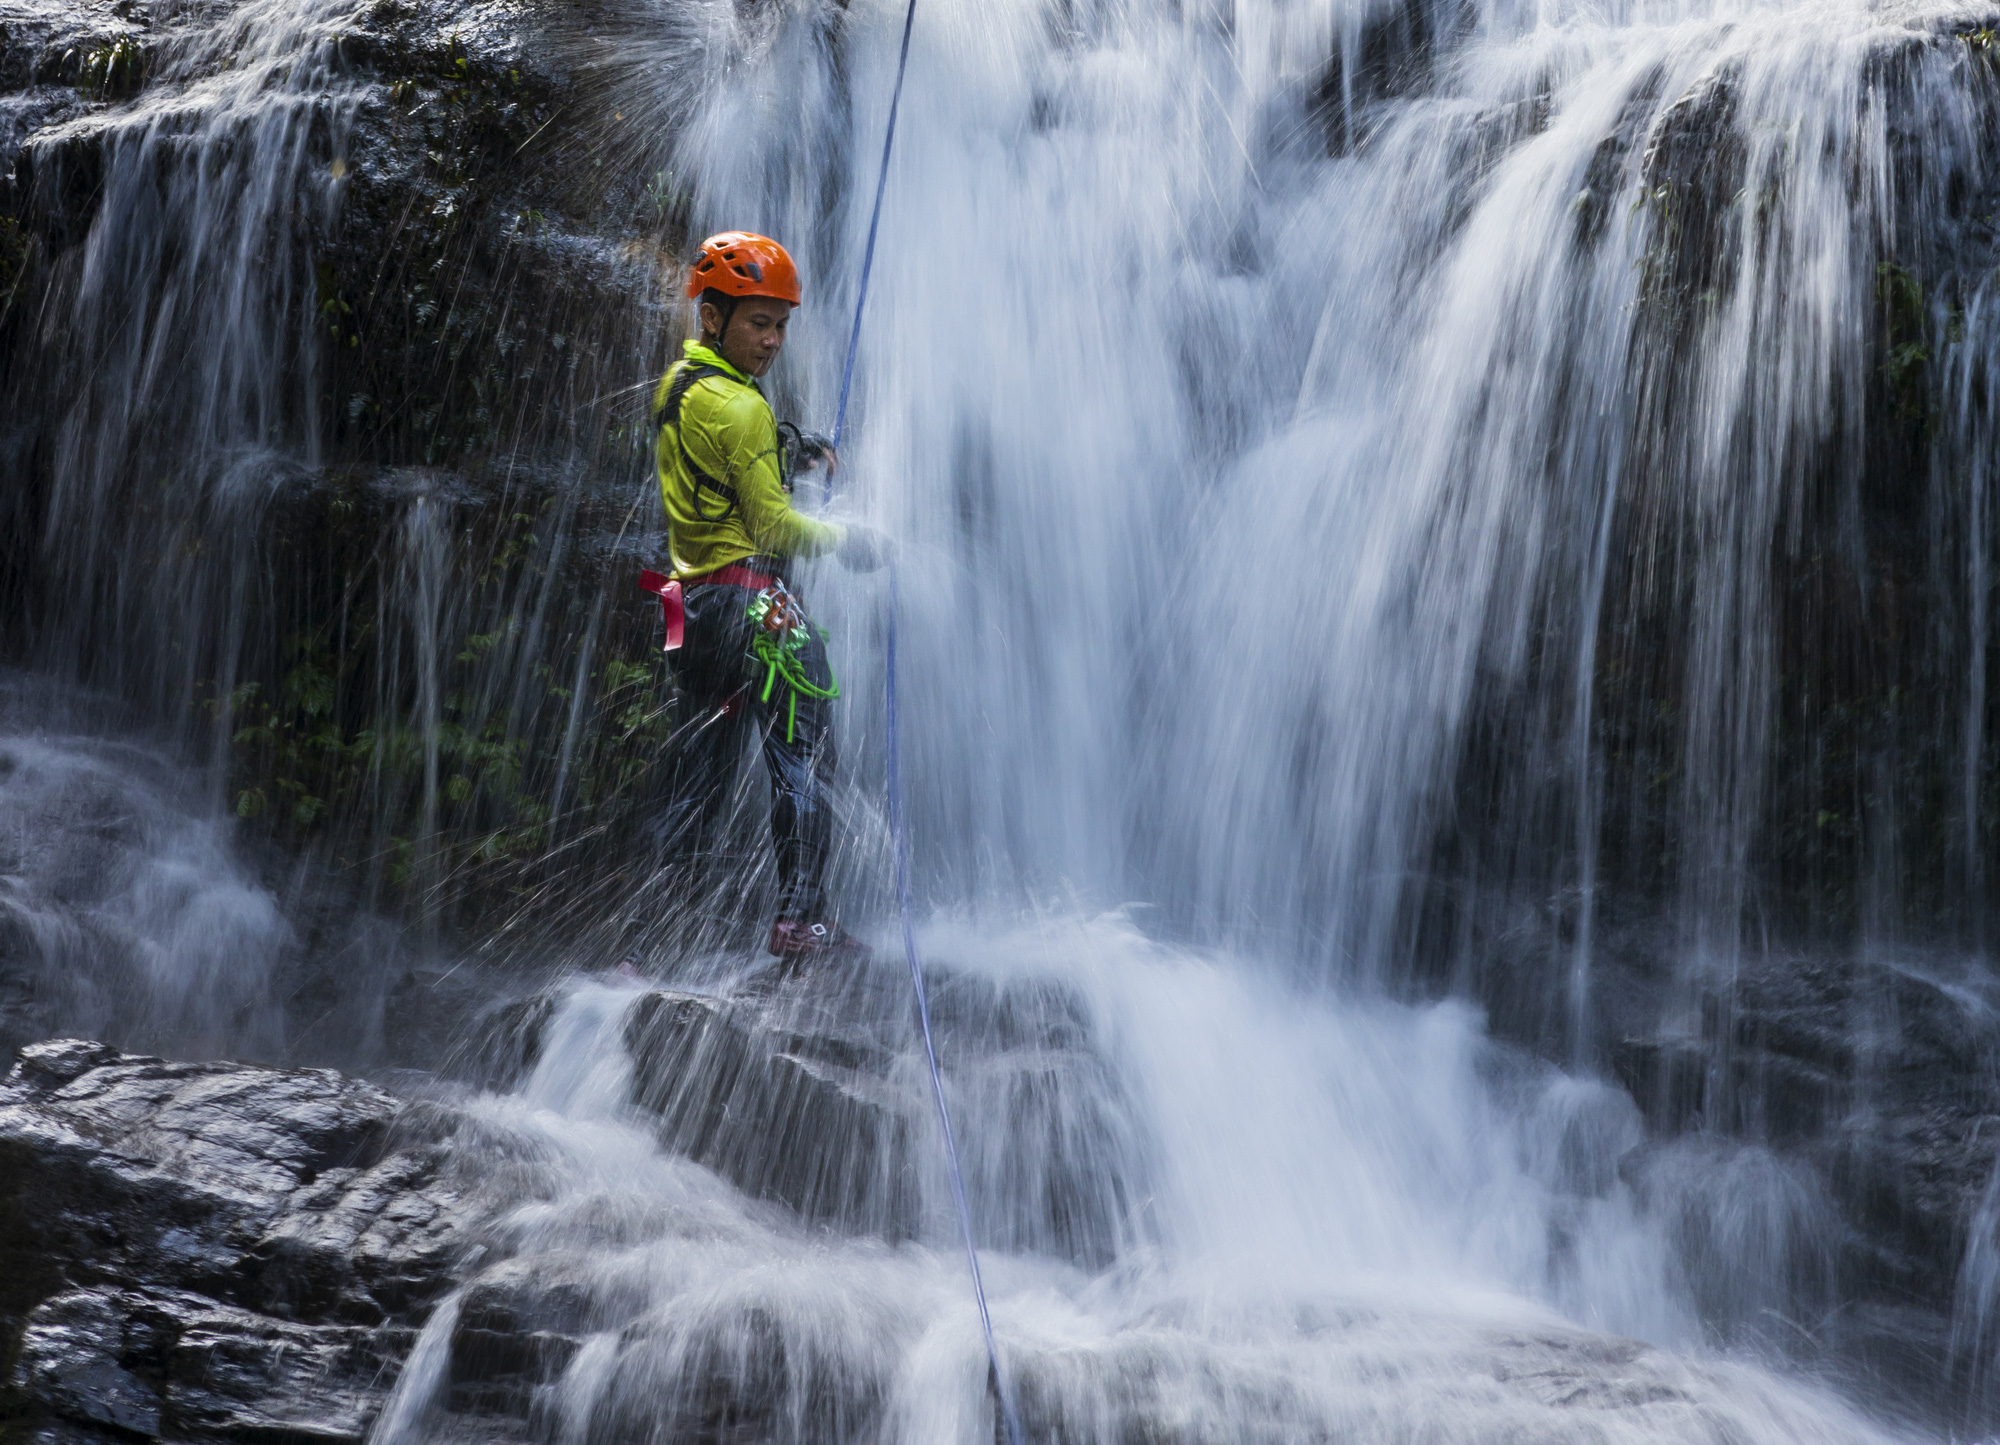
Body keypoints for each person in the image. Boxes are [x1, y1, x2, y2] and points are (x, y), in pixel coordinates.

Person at [650, 230, 886, 960]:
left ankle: (650, 938)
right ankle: (801, 918)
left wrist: (793, 446)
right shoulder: (743, 408)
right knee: (805, 757)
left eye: (783, 323)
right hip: (757, 608)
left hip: (688, 611)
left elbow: (724, 463)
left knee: (701, 774)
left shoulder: (679, 387)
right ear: (713, 317)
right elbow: (772, 522)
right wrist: (854, 543)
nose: (776, 339)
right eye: (761, 321)